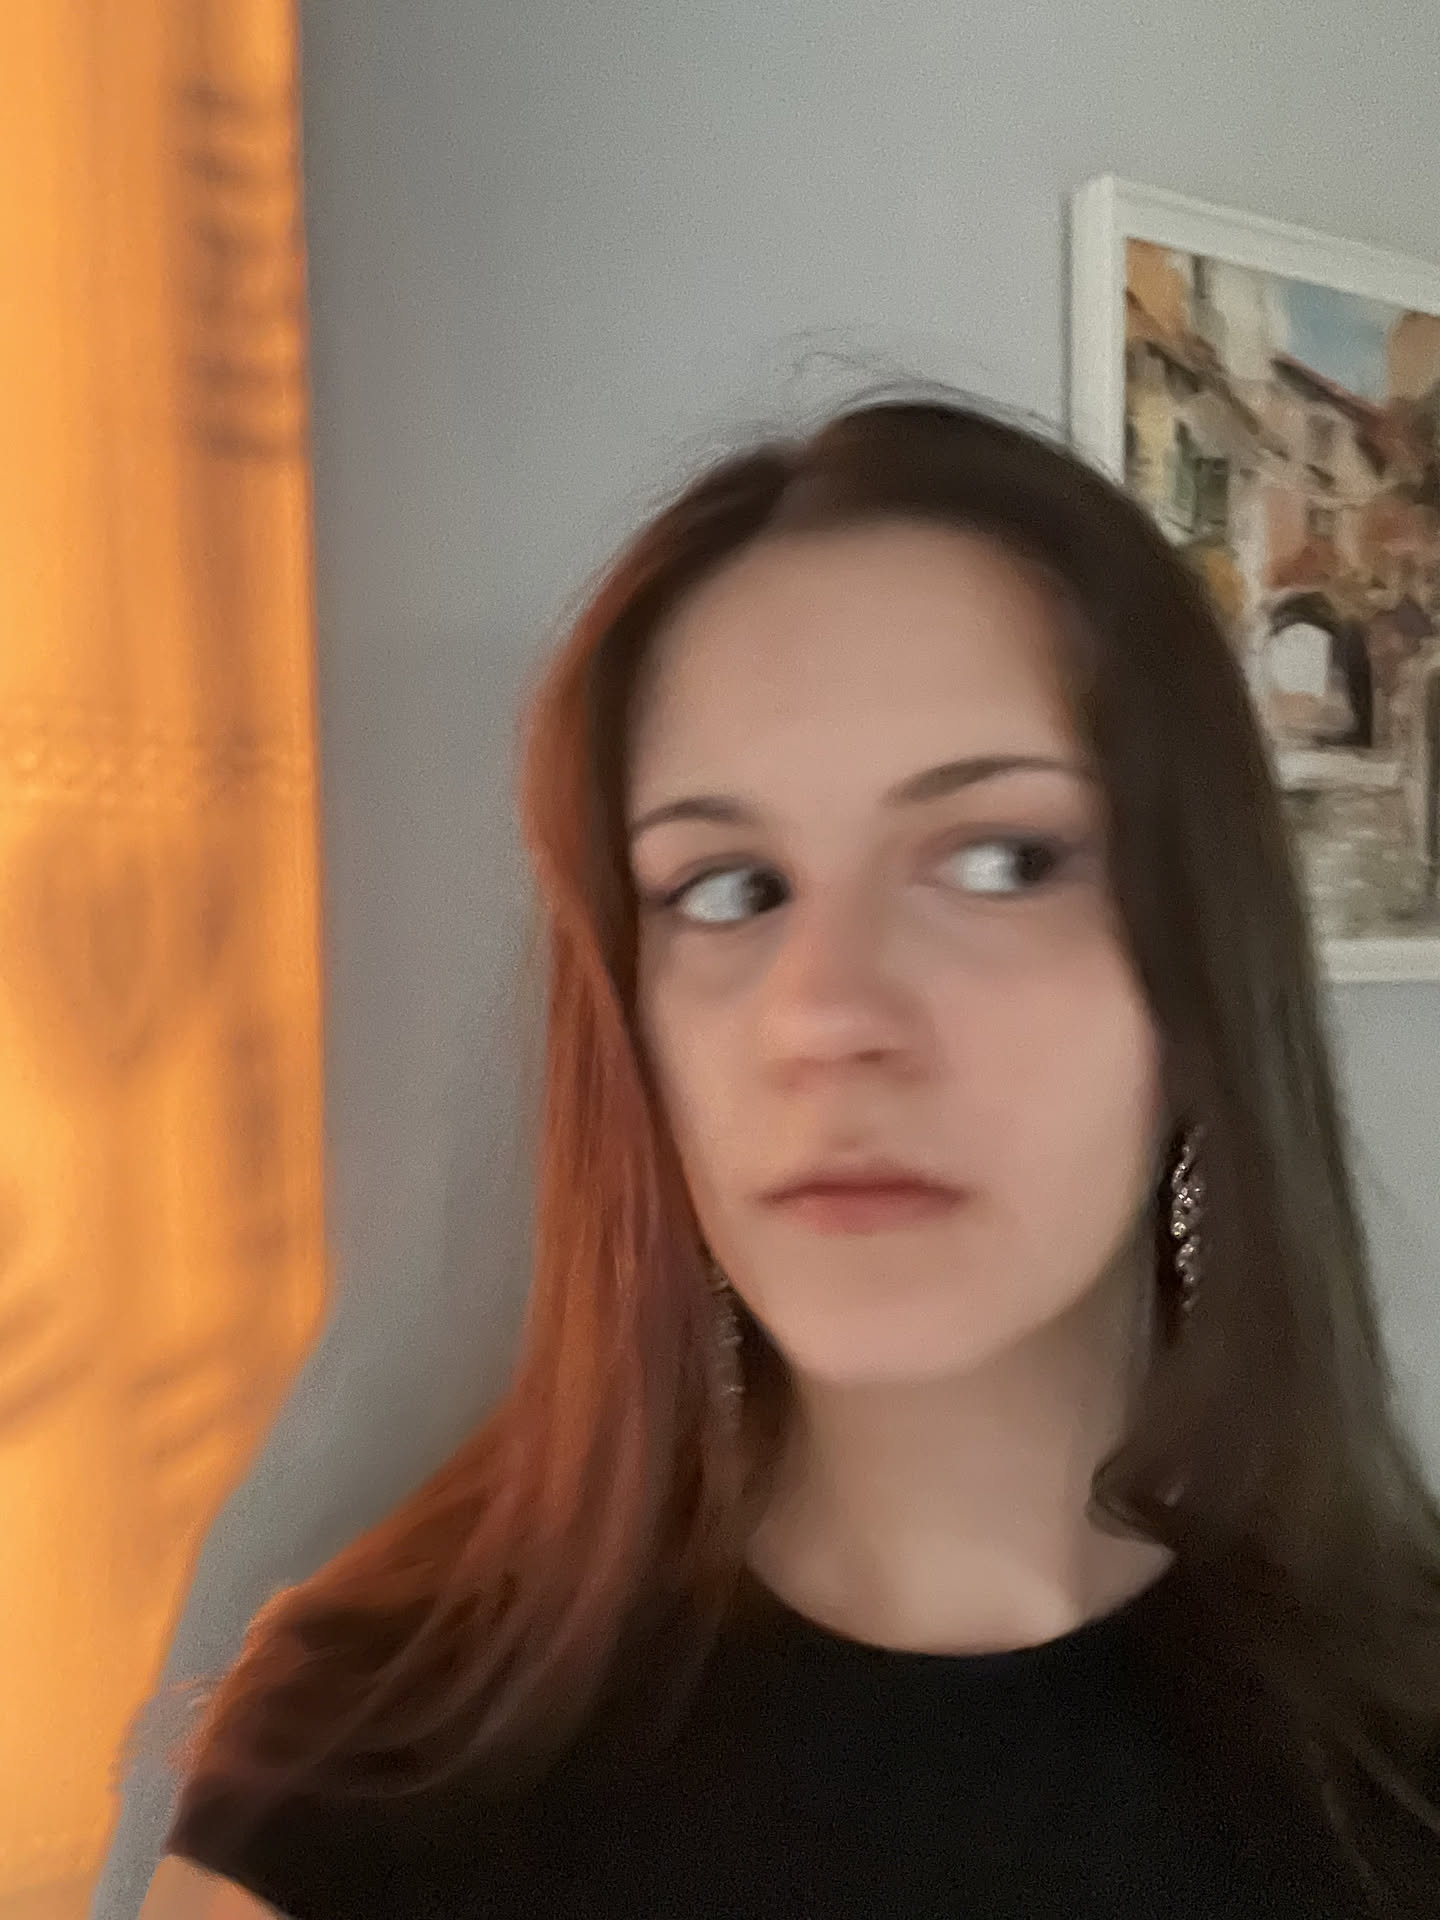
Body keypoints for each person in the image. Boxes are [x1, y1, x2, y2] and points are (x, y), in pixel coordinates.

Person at [143, 398, 1440, 1919]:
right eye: (726, 887)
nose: (820, 1015)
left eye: (1002, 861)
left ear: (1200, 980)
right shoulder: (364, 1760)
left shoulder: (1399, 1762)